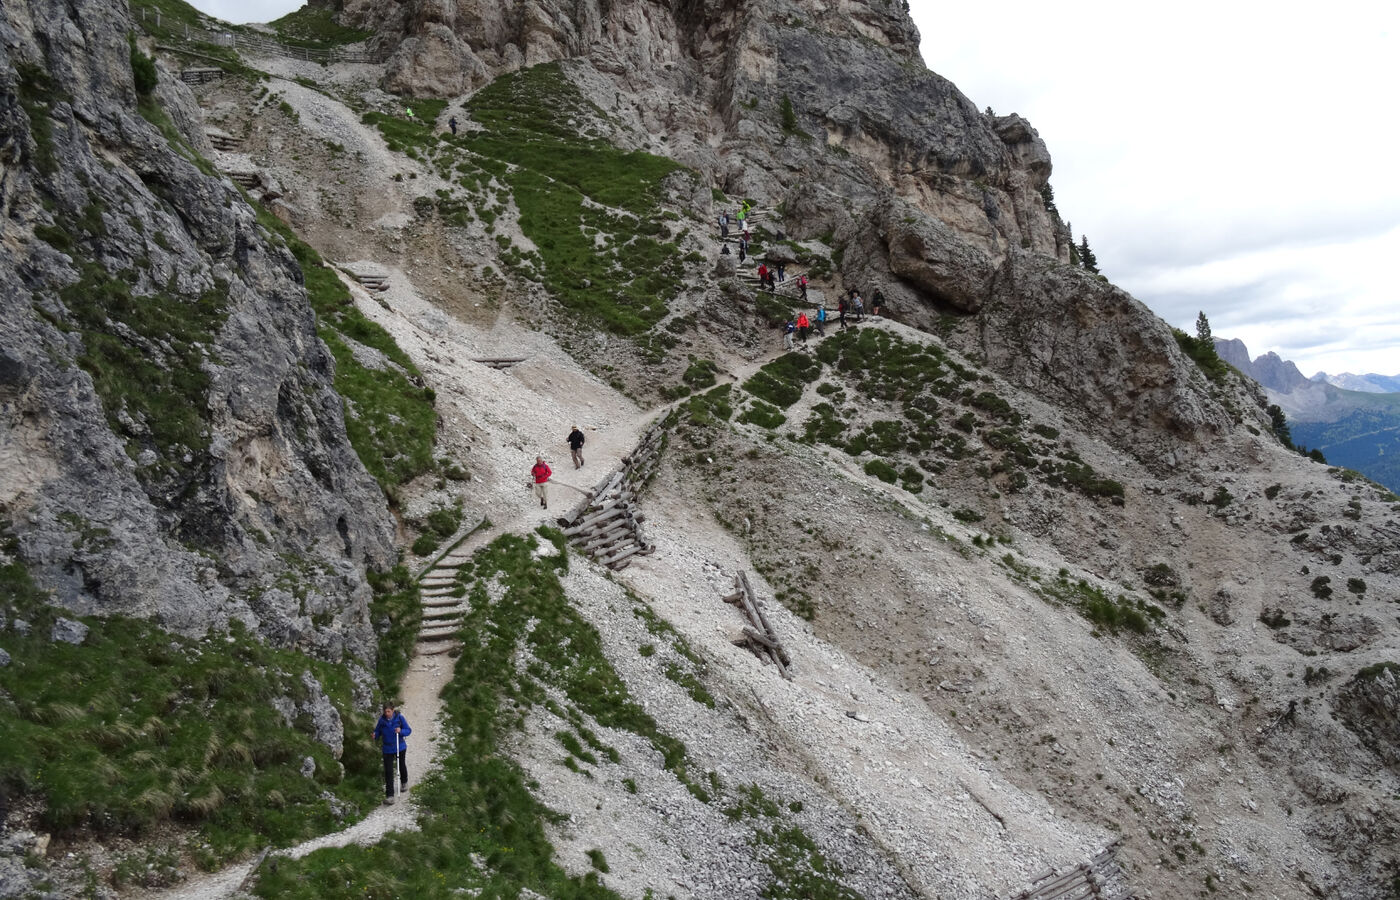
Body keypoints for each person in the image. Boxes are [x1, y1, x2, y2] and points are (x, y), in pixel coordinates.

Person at [373, 704, 412, 805]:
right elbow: (377, 731)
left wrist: (401, 731)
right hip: (387, 748)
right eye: (385, 712)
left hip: (400, 746)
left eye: (389, 712)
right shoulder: (382, 721)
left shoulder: (399, 718)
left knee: (401, 765)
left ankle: (404, 782)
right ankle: (390, 796)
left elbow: (408, 730)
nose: (387, 714)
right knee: (388, 771)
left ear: (393, 710)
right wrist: (375, 735)